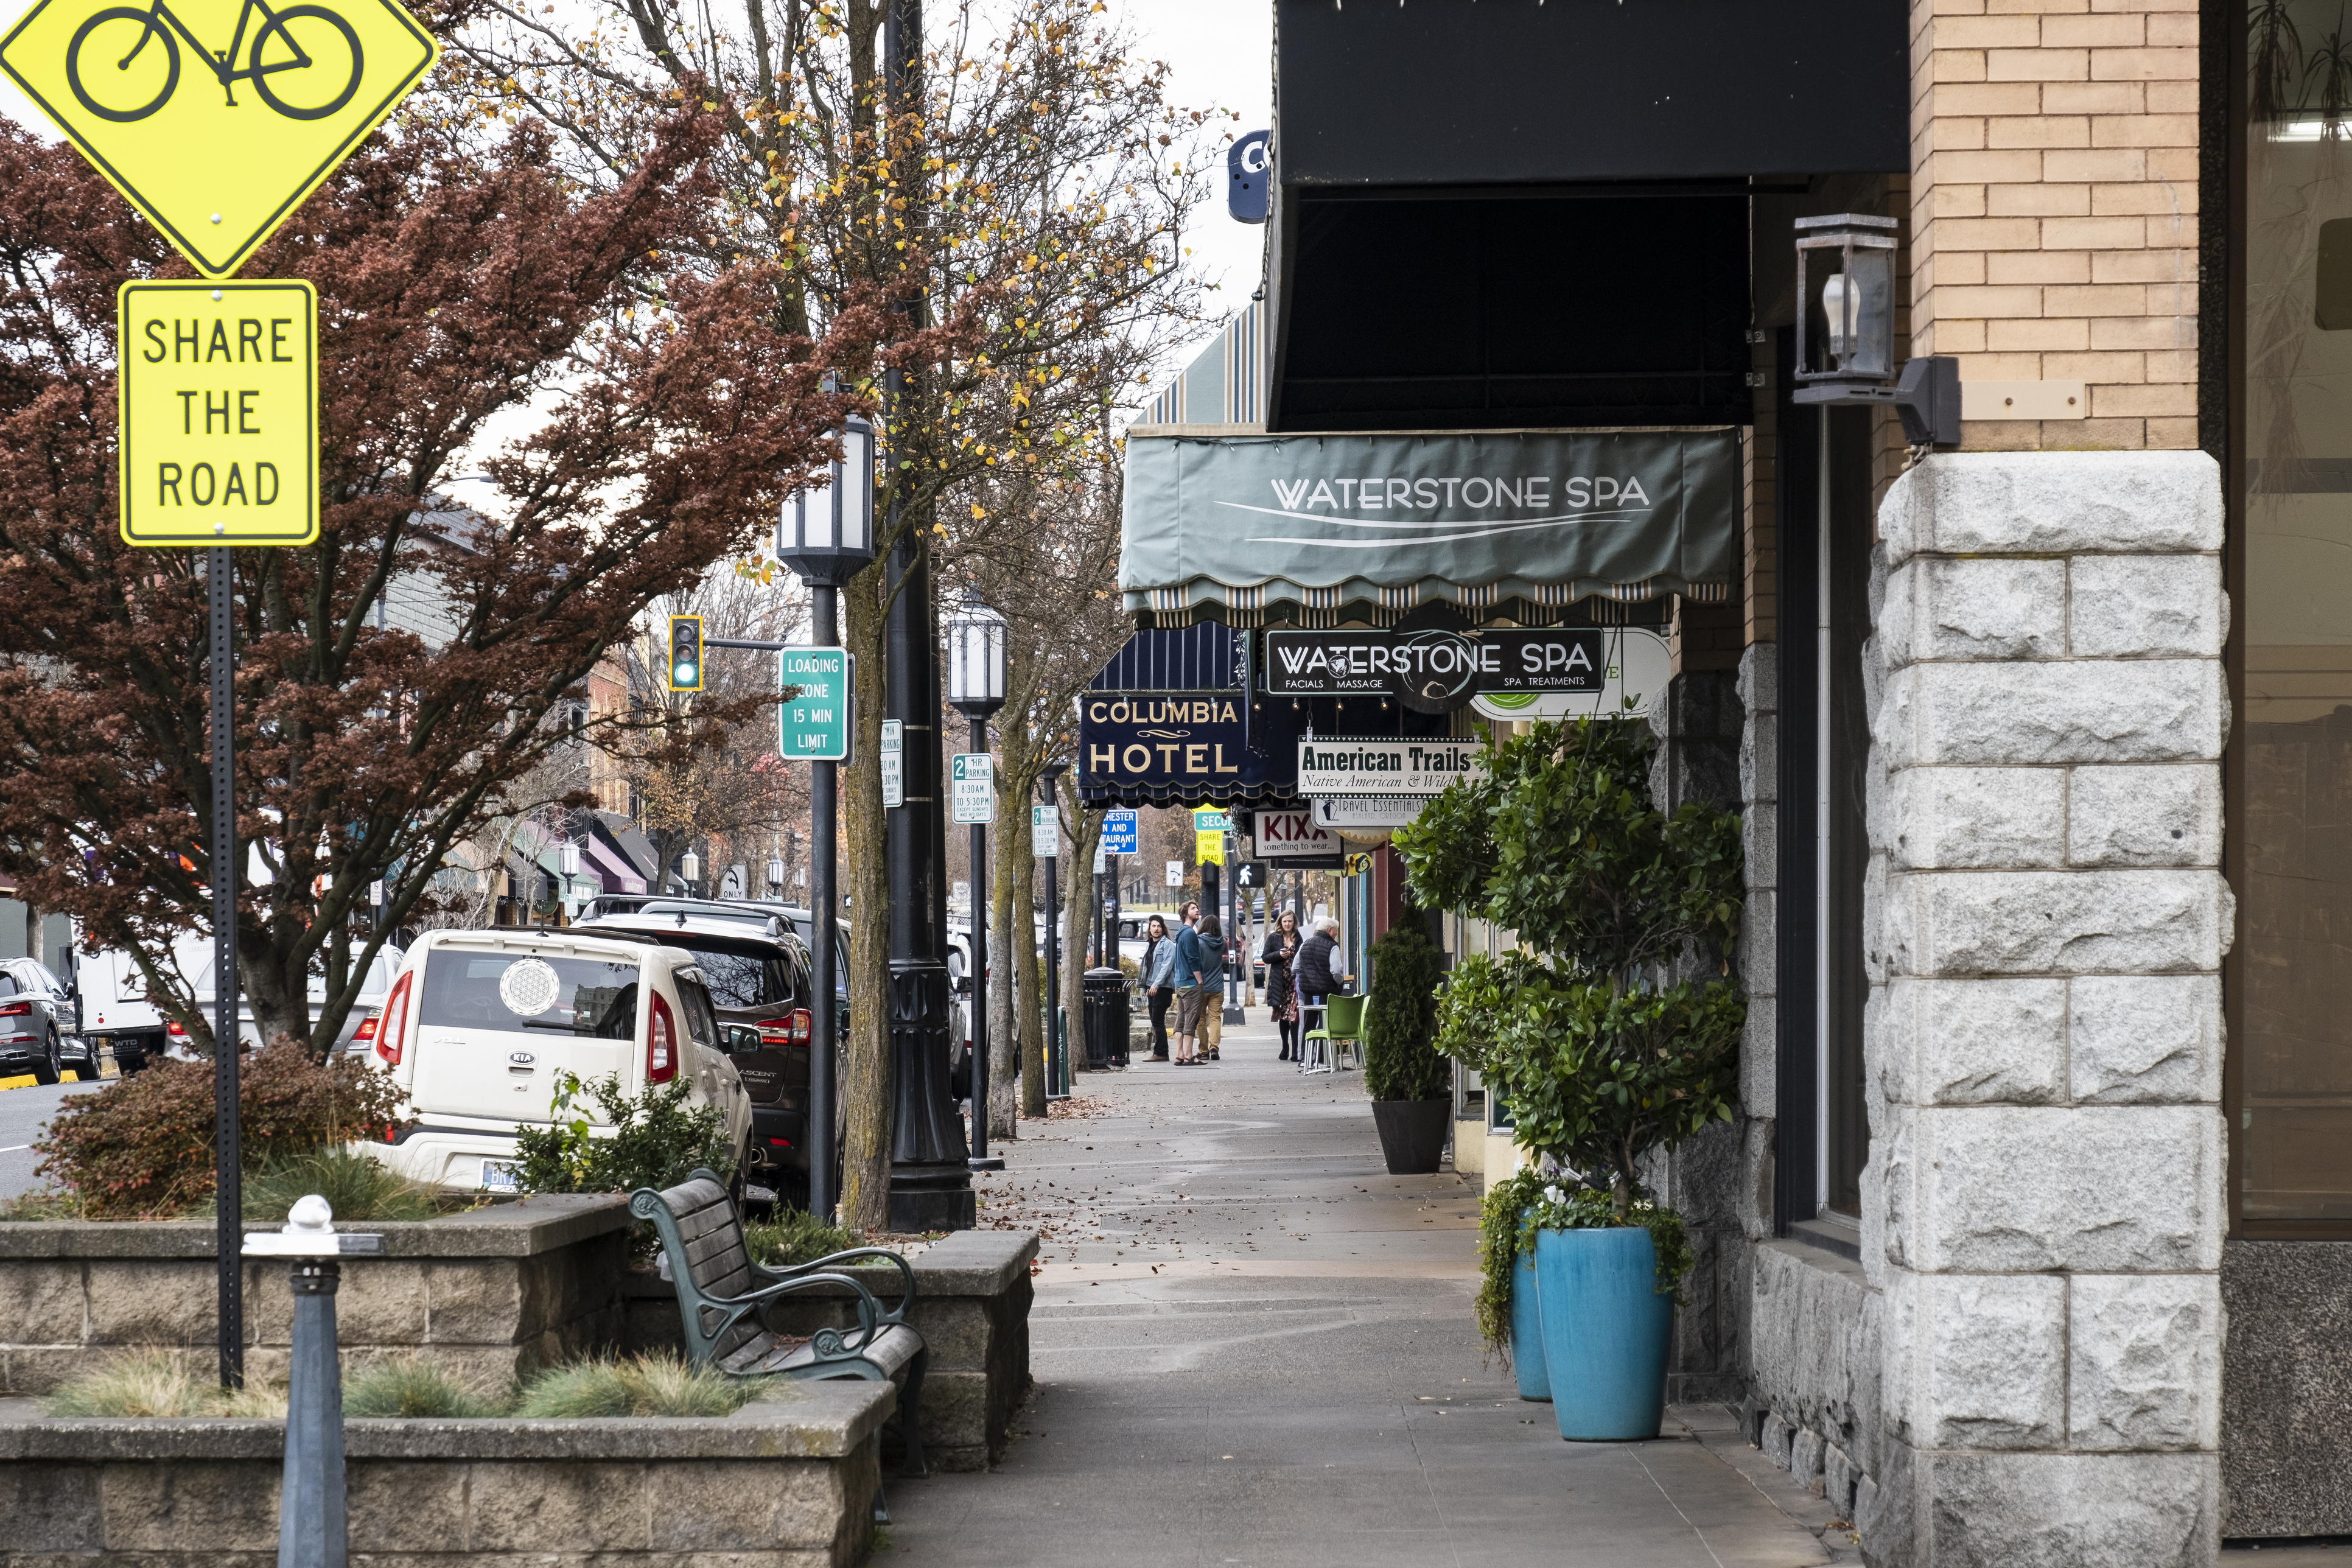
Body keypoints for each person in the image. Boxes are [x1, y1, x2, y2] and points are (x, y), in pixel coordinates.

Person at [1294, 916, 1351, 1072]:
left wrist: (1308, 975)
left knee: (1309, 1024)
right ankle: (1321, 1057)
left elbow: (1295, 968)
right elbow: (1337, 970)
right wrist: (1339, 983)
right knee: (1325, 1023)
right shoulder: (1332, 946)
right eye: (1336, 931)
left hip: (1308, 992)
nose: (1337, 934)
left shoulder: (1305, 944)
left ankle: (1305, 1058)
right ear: (1330, 930)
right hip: (1327, 991)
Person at [1170, 906, 1209, 1065]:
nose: (1198, 910)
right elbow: (1193, 959)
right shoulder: (1190, 933)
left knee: (1181, 1020)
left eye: (1198, 908)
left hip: (1180, 983)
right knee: (1191, 1020)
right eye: (1193, 909)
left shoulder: (1180, 933)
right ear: (1186, 914)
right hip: (1191, 983)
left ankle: (1179, 1055)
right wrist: (1199, 981)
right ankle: (1189, 1055)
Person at [1262, 909, 1302, 1060]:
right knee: (1283, 1017)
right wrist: (1278, 955)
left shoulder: (1300, 937)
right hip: (1280, 983)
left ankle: (1295, 1051)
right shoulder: (1274, 938)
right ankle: (1285, 1047)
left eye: (1290, 921)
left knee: (1294, 1016)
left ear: (1294, 922)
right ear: (1280, 922)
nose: (1287, 924)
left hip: (1295, 983)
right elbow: (1265, 957)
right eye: (1284, 921)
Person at [1140, 915, 1178, 1060]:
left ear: (1163, 929)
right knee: (1156, 1020)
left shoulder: (1167, 945)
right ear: (1149, 929)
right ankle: (1163, 1052)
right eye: (1154, 926)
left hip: (1163, 988)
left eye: (1159, 926)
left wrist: (1156, 984)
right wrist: (1144, 987)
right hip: (1151, 988)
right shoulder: (1150, 945)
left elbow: (1166, 967)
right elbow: (1146, 968)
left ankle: (1160, 1053)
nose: (1156, 929)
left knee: (1157, 1020)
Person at [1195, 913, 1227, 1062]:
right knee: (1215, 1018)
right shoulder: (1222, 943)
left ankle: (1203, 1050)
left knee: (1201, 1019)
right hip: (1217, 987)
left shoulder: (1198, 942)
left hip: (1201, 986)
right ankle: (1214, 1047)